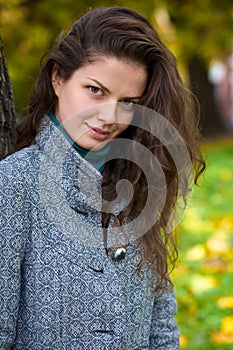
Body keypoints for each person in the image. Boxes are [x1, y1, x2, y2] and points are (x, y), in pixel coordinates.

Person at [0, 6, 205, 350]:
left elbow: (160, 325)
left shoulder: (141, 181)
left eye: (127, 101)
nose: (109, 116)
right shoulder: (14, 183)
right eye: (95, 90)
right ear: (58, 78)